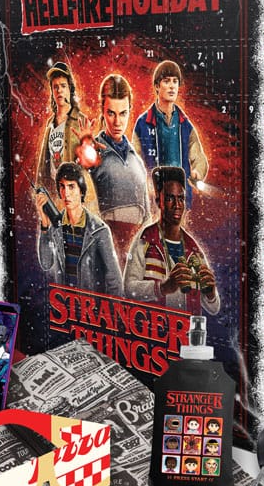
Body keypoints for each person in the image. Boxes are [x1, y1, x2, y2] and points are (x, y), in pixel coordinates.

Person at [123, 166, 220, 315]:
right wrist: (163, 287)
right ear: (158, 201)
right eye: (169, 199)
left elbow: (214, 308)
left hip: (187, 329)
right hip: (154, 327)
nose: (177, 205)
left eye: (181, 199)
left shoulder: (193, 248)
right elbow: (129, 289)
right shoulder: (145, 239)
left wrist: (211, 294)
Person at [90, 73, 150, 265]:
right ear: (102, 110)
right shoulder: (92, 151)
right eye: (111, 113)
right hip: (107, 248)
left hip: (136, 252)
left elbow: (147, 215)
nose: (117, 122)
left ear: (130, 110)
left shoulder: (135, 159)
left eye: (123, 113)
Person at [36, 162, 122, 296]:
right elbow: (46, 263)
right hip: (64, 304)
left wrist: (111, 308)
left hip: (91, 306)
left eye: (71, 187)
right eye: (62, 186)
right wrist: (45, 224)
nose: (66, 193)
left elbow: (114, 280)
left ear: (81, 191)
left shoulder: (99, 231)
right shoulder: (56, 227)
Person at [133, 61, 209, 206]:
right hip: (153, 202)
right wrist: (145, 183)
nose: (172, 86)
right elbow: (134, 161)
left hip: (180, 202)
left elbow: (199, 157)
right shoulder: (142, 124)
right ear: (157, 86)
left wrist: (197, 172)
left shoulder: (185, 125)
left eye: (175, 81)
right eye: (166, 81)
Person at [35, 61, 98, 213]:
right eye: (55, 87)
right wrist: (40, 189)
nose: (59, 91)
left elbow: (93, 161)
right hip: (58, 195)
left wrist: (88, 149)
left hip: (81, 198)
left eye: (63, 86)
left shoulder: (80, 121)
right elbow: (45, 163)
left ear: (70, 89)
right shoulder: (50, 124)